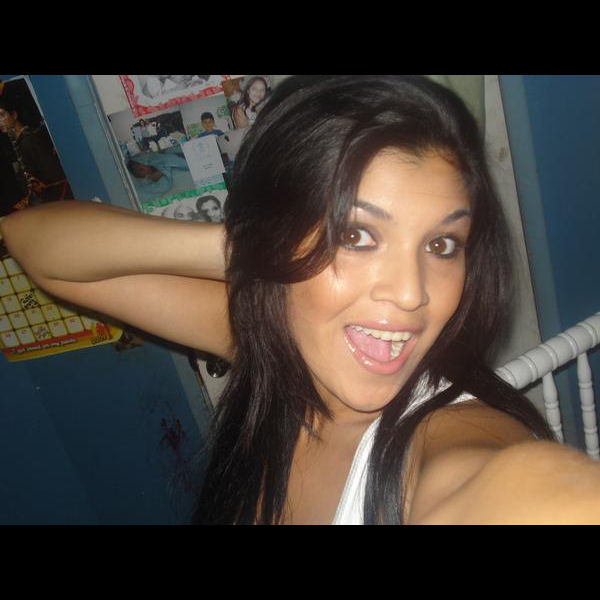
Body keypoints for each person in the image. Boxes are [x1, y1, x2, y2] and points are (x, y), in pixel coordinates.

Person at [3, 75, 600, 525]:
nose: (411, 293)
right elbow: (37, 244)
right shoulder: (278, 347)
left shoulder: (453, 437)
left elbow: (514, 490)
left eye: (442, 245)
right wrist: (258, 250)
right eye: (356, 235)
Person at [0, 95, 72, 204]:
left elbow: (54, 175)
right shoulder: (20, 140)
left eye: (2, 115)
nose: (0, 121)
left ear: (14, 115)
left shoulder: (29, 140)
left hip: (55, 200)